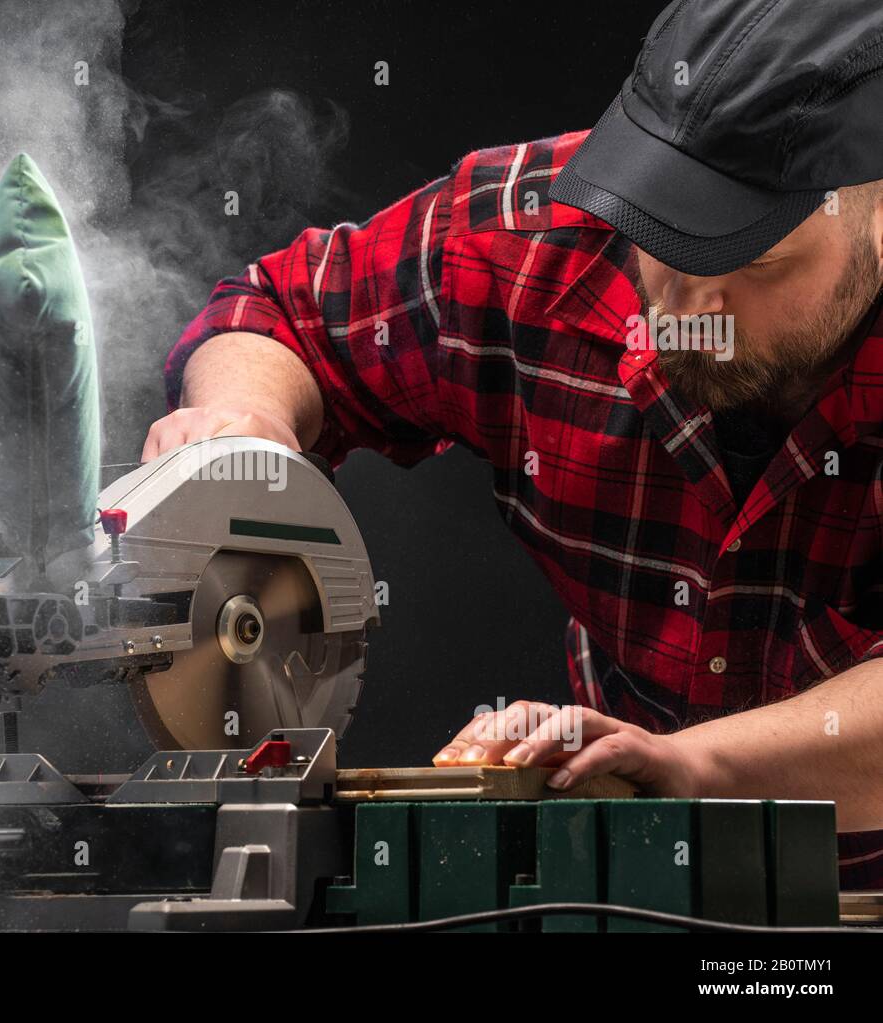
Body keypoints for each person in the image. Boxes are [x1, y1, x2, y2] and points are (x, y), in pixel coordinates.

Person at [143, 0, 883, 888]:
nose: (687, 310)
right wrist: (248, 432)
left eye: (754, 262)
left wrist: (692, 767)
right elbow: (280, 314)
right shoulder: (535, 234)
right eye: (661, 240)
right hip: (622, 879)